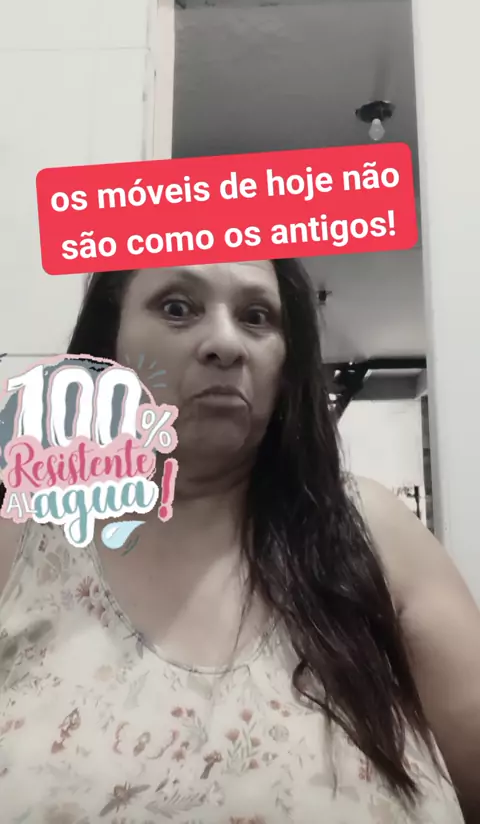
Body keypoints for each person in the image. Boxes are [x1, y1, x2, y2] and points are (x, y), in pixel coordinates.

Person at [0, 258, 479, 824]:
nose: (226, 343)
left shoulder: (371, 531)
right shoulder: (22, 534)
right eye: (177, 308)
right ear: (109, 345)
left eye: (256, 317)